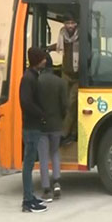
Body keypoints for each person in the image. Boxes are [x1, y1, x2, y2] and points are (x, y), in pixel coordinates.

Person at [20, 47, 48, 213]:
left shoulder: (32, 76)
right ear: (37, 60)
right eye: (43, 58)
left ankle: (30, 196)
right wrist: (41, 114)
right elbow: (26, 103)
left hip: (34, 126)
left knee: (30, 164)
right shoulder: (28, 79)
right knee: (28, 164)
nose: (45, 60)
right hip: (31, 127)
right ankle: (27, 201)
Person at [38, 53, 68, 201]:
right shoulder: (61, 82)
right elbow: (65, 106)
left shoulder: (37, 82)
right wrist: (61, 118)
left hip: (42, 125)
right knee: (55, 152)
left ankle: (46, 190)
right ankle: (56, 182)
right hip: (57, 124)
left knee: (43, 156)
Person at [49, 13, 79, 145]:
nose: (70, 26)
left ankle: (64, 133)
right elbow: (59, 47)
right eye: (68, 23)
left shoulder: (81, 37)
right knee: (64, 103)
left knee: (72, 104)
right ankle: (72, 133)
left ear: (76, 24)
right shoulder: (62, 36)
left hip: (78, 75)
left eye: (72, 23)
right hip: (65, 73)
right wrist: (48, 48)